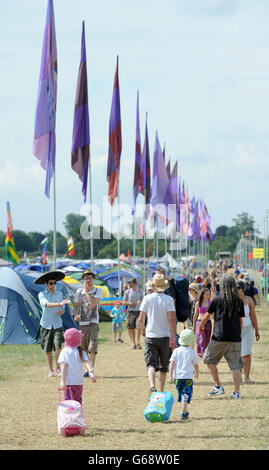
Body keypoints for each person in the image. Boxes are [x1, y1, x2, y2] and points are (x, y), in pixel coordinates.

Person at [199, 274, 245, 399]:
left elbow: (207, 316)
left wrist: (200, 326)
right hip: (235, 338)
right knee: (236, 366)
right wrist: (238, 334)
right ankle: (236, 393)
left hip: (219, 337)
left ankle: (218, 386)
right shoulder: (239, 301)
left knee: (208, 359)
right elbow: (240, 321)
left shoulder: (217, 300)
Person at [139, 273, 177, 397]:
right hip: (165, 336)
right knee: (163, 366)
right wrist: (173, 337)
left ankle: (152, 386)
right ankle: (161, 392)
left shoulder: (147, 298)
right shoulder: (169, 300)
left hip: (151, 335)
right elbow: (172, 319)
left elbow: (141, 318)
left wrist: (142, 329)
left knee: (151, 364)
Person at [35, 270, 71, 378]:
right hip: (46, 325)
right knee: (48, 349)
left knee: (58, 345)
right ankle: (50, 370)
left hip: (57, 324)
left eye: (55, 283)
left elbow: (63, 308)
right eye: (51, 283)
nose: (53, 285)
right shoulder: (41, 294)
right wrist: (59, 304)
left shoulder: (59, 294)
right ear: (46, 284)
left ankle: (58, 367)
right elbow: (46, 304)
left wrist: (61, 311)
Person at [73, 270, 103, 383]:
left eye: (89, 278)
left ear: (93, 279)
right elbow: (76, 307)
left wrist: (86, 293)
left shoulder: (98, 291)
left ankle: (91, 370)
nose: (87, 280)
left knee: (92, 348)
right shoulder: (78, 292)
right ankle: (86, 369)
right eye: (85, 278)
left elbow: (93, 304)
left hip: (94, 322)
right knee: (83, 348)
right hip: (83, 324)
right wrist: (76, 315)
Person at [168, 329, 199, 420]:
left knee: (181, 393)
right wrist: (196, 373)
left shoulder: (176, 351)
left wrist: (170, 376)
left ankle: (184, 410)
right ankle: (183, 411)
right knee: (186, 394)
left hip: (177, 378)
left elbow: (172, 364)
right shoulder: (191, 352)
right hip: (188, 378)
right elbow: (196, 365)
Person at [58, 328, 92, 404]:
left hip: (68, 382)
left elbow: (63, 368)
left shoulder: (65, 351)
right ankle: (77, 415)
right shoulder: (81, 351)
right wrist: (91, 372)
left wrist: (63, 382)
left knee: (68, 402)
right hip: (79, 382)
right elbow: (87, 362)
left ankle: (70, 416)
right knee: (77, 402)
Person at [237, 280, 260, 383]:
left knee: (247, 354)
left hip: (248, 329)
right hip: (236, 331)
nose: (237, 290)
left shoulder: (249, 299)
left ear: (243, 289)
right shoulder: (231, 300)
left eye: (239, 288)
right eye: (235, 288)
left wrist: (257, 330)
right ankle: (238, 376)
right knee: (237, 354)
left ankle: (246, 377)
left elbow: (253, 316)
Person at [123, 278, 143, 349]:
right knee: (131, 328)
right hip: (130, 312)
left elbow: (143, 301)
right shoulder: (127, 292)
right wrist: (130, 303)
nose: (128, 284)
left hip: (138, 311)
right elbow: (124, 302)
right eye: (128, 282)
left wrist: (140, 302)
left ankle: (138, 342)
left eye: (130, 282)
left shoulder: (140, 291)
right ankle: (133, 342)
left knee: (139, 327)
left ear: (134, 283)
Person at [192, 287, 212, 358]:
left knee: (207, 340)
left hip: (208, 323)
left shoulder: (210, 303)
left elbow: (213, 315)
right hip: (199, 322)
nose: (208, 296)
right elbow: (195, 315)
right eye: (207, 294)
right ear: (203, 295)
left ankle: (204, 352)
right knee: (201, 339)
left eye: (209, 294)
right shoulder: (198, 303)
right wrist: (194, 326)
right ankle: (202, 354)